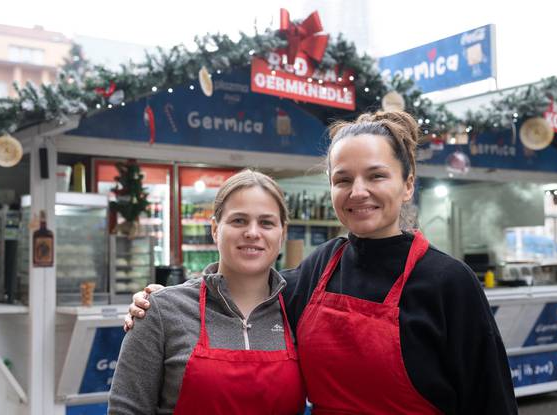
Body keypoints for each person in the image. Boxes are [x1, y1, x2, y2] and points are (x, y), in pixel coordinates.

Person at [126, 110, 518, 414]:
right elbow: (246, 290)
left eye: (376, 176)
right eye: (343, 179)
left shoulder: (449, 282)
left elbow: (491, 401)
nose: (358, 191)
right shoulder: (320, 267)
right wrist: (165, 302)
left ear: (408, 183)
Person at [109, 170, 306, 414]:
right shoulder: (161, 310)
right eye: (238, 220)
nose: (253, 232)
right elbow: (127, 409)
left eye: (266, 222)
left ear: (283, 233)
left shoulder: (299, 312)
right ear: (215, 229)